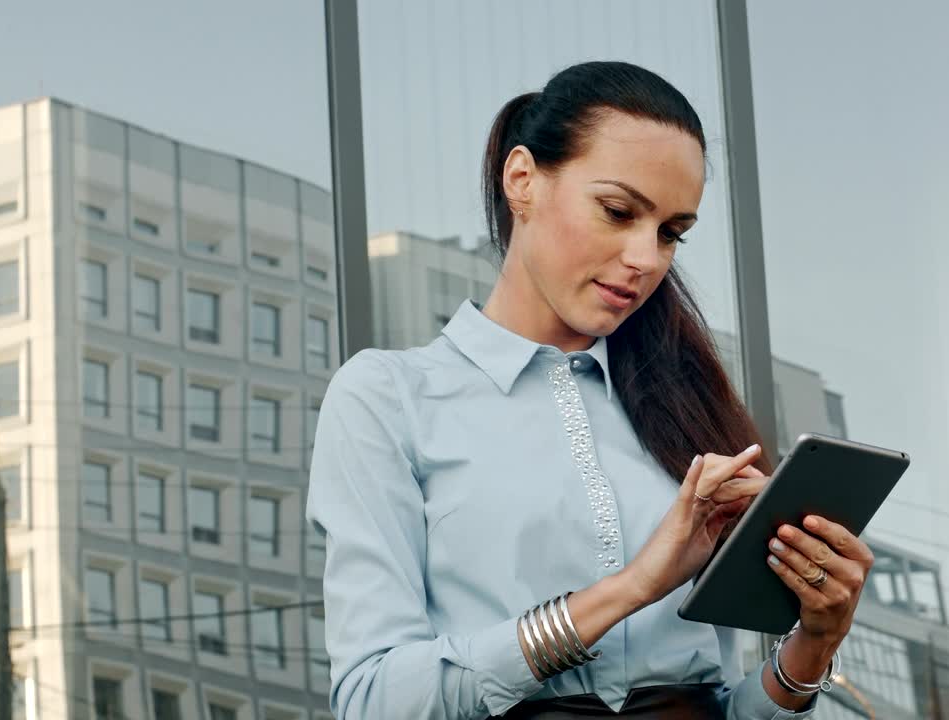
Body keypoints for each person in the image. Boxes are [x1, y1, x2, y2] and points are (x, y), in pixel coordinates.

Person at [306, 61, 875, 719]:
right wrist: (631, 588)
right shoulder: (389, 398)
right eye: (617, 211)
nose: (646, 258)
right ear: (522, 180)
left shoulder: (685, 411)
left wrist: (812, 647)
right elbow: (375, 701)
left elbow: (729, 703)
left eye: (670, 233)